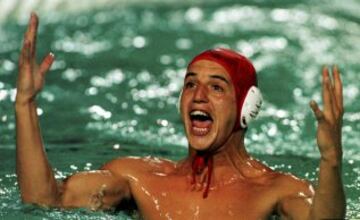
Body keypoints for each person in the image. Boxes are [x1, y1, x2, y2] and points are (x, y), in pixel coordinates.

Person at [15, 12, 346, 219]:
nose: (198, 95)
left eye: (216, 88)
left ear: (246, 106)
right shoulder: (139, 179)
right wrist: (25, 104)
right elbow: (45, 200)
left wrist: (331, 160)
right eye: (190, 85)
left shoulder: (276, 190)